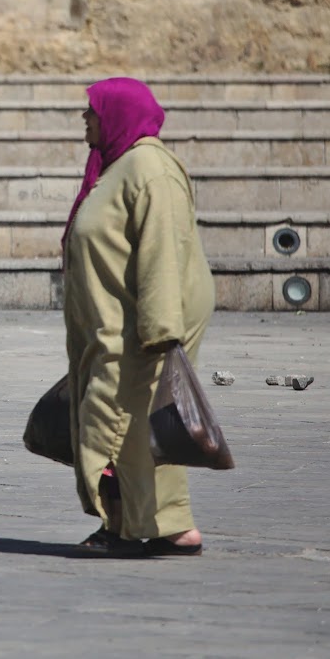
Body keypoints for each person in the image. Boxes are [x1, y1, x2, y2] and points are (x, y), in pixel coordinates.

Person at [60, 77, 215, 558]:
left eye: (93, 110)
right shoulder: (116, 165)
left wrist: (160, 332)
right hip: (111, 326)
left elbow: (163, 251)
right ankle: (160, 526)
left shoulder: (151, 169)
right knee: (131, 424)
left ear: (117, 114)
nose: (84, 118)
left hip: (145, 326)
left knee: (115, 421)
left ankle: (123, 528)